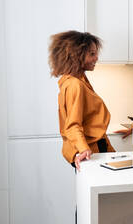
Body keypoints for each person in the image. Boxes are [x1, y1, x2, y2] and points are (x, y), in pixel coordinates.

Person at [48, 30, 115, 171]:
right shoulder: (74, 84)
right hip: (90, 148)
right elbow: (72, 125)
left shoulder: (77, 79)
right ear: (76, 55)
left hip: (91, 146)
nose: (96, 58)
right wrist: (84, 149)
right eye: (92, 54)